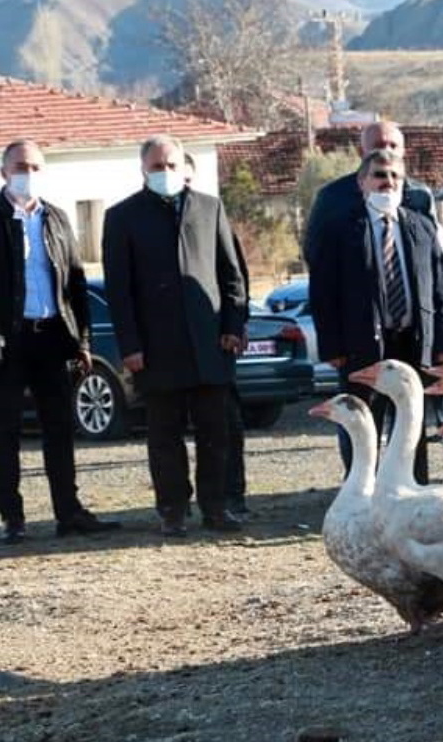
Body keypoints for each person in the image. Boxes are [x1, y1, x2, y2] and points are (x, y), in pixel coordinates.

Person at [102, 135, 248, 536]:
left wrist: (233, 326)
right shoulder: (122, 217)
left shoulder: (209, 207)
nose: (165, 173)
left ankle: (216, 507)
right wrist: (130, 346)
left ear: (184, 167)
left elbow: (231, 274)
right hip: (155, 348)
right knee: (164, 435)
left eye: (171, 165)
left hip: (209, 344)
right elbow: (119, 290)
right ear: (143, 170)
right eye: (156, 166)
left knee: (215, 433)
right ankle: (172, 509)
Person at [0, 140, 121, 544]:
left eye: (34, 166)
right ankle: (13, 518)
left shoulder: (56, 219)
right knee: (5, 432)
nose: (27, 174)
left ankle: (68, 513)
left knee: (60, 429)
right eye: (20, 166)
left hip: (52, 337)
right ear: (4, 171)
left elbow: (75, 282)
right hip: (8, 342)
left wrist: (82, 340)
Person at [308, 150, 443, 483]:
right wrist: (332, 347)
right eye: (379, 175)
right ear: (362, 182)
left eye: (395, 177)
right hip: (361, 344)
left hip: (412, 344)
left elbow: (441, 287)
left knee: (411, 425)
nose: (387, 183)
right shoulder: (339, 230)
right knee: (364, 426)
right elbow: (323, 293)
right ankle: (363, 493)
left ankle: (411, 490)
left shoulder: (421, 226)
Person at [184, 152, 252, 516]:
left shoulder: (212, 217)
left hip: (216, 342)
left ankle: (233, 495)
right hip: (176, 345)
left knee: (228, 423)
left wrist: (235, 324)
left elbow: (235, 277)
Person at [303, 122, 438, 267]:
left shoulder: (420, 196)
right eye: (379, 145)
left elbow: (435, 251)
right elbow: (315, 253)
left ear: (404, 152)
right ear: (361, 152)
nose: (387, 151)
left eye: (393, 146)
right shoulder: (333, 196)